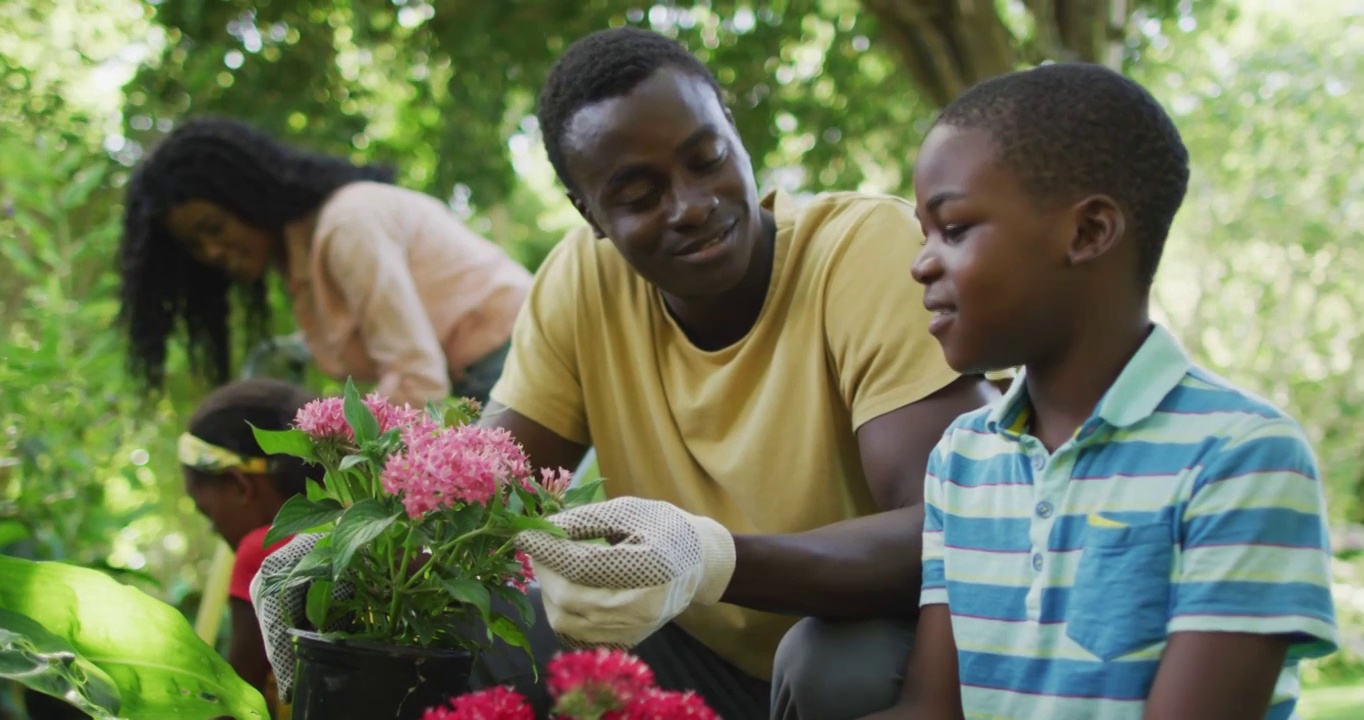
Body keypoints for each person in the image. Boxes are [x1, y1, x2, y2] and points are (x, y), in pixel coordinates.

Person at [252, 25, 996, 720]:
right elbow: (483, 499)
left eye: (707, 160)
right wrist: (352, 551)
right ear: (589, 214)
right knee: (487, 622)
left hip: (865, 647)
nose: (692, 206)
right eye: (639, 196)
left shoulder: (861, 252)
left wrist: (713, 559)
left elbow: (948, 532)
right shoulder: (580, 284)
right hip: (690, 647)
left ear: (736, 134)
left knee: (838, 663)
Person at [868, 63, 1339, 720]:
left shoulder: (1243, 457)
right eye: (924, 234)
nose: (921, 263)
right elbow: (932, 711)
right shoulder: (962, 459)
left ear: (1088, 233)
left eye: (954, 229)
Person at [118, 117, 532, 407]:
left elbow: (417, 379)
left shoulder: (346, 228)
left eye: (213, 227)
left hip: (523, 362)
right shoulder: (304, 262)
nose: (210, 252)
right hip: (486, 380)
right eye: (194, 245)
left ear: (245, 195)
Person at [179, 379, 323, 716]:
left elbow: (234, 705)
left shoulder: (264, 552)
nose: (215, 529)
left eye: (208, 512)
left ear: (242, 487)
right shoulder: (358, 532)